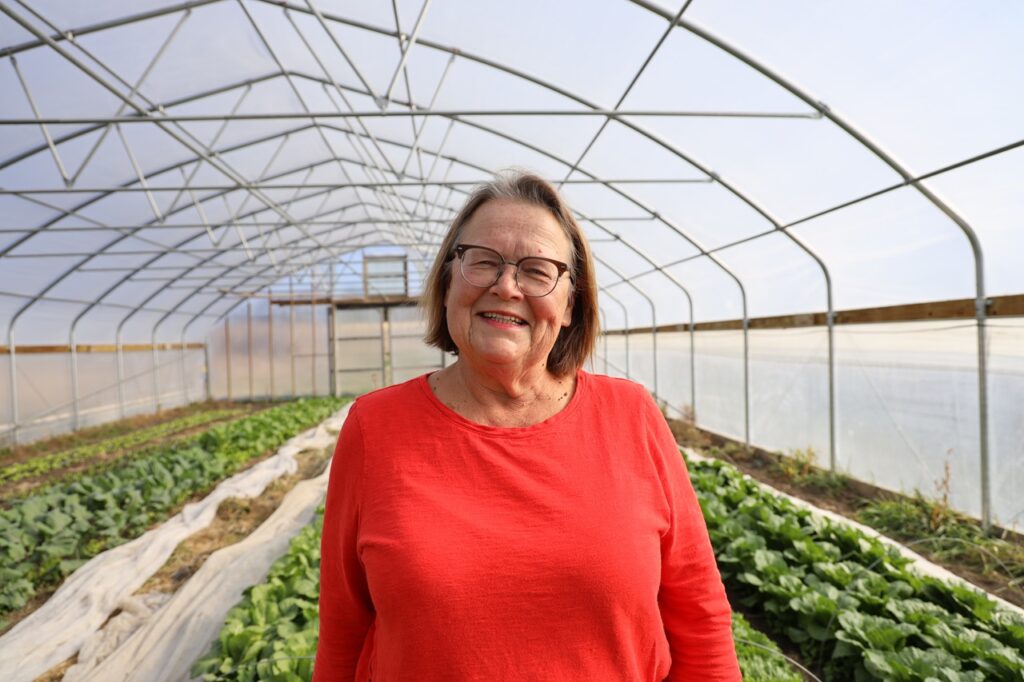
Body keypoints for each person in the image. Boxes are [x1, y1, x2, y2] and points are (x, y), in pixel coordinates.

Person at [313, 170, 740, 681]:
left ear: (569, 304)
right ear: (448, 282)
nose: (506, 285)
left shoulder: (632, 415)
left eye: (537, 271)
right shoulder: (375, 427)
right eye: (483, 262)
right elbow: (344, 628)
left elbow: (700, 620)